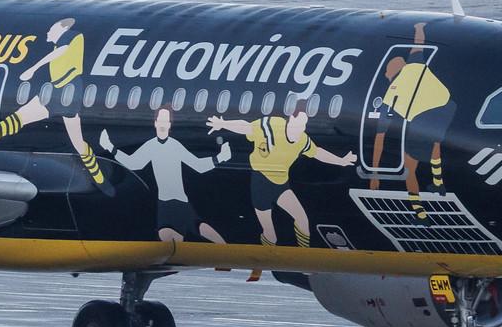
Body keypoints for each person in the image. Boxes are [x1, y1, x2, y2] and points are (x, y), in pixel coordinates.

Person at [208, 97, 356, 249]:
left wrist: (341, 161)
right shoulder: (272, 126)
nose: (301, 129)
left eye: (304, 125)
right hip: (261, 183)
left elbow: (317, 152)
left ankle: (302, 256)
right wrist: (222, 124)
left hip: (281, 184)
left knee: (302, 220)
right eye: (299, 124)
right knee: (270, 234)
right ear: (291, 119)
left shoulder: (302, 140)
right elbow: (247, 127)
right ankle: (264, 257)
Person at [0, 17, 108, 191]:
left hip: (69, 90)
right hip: (57, 88)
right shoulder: (63, 42)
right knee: (24, 114)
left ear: (62, 30)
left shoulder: (72, 37)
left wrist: (33, 69)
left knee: (77, 142)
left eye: (52, 30)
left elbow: (60, 52)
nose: (48, 33)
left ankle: (99, 179)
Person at [99, 106, 230, 246]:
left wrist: (219, 158)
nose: (162, 124)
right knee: (173, 238)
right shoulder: (151, 146)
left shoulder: (175, 145)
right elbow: (133, 163)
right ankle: (225, 251)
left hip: (179, 201)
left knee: (196, 230)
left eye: (166, 121)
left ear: (169, 125)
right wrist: (110, 147)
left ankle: (226, 250)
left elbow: (198, 165)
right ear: (155, 123)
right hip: (164, 203)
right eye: (160, 120)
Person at [368, 21, 454, 219]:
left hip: (423, 117)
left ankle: (419, 213)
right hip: (447, 106)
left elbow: (380, 138)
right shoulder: (415, 66)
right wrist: (419, 28)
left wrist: (374, 173)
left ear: (389, 74)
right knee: (435, 141)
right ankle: (438, 182)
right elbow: (418, 44)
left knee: (409, 167)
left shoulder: (390, 97)